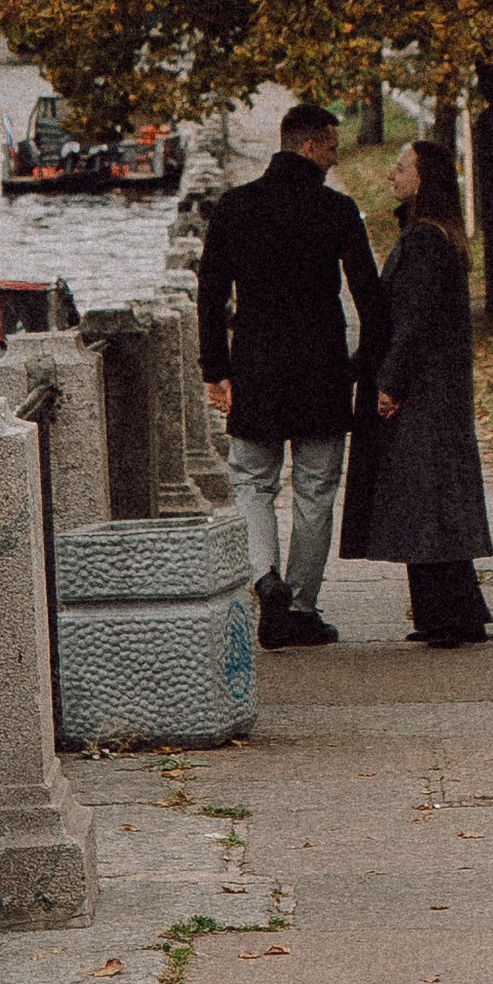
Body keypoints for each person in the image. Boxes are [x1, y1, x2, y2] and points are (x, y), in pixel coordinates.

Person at [197, 99, 384, 649]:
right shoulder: (337, 211)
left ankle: (265, 578)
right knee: (315, 490)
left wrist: (216, 369)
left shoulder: (235, 207)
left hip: (255, 367)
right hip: (322, 371)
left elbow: (210, 296)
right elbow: (368, 297)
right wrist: (364, 365)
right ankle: (301, 606)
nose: (335, 156)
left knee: (251, 483)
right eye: (331, 145)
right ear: (309, 146)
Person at [339, 136, 493, 647]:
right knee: (433, 500)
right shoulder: (434, 233)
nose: (391, 174)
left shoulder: (424, 240)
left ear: (424, 179)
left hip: (423, 390)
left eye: (401, 167)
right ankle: (449, 613)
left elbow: (412, 320)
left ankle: (447, 618)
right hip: (439, 387)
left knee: (424, 500)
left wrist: (390, 382)